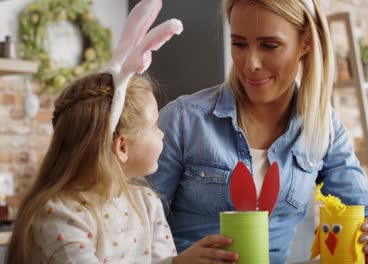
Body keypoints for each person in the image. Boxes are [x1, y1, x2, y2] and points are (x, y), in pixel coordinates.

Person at [148, 0, 368, 263]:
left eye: (269, 45)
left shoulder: (322, 127)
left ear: (305, 42)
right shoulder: (183, 120)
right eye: (239, 44)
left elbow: (367, 210)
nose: (250, 63)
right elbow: (124, 229)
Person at [6, 0, 238, 263]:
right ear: (122, 146)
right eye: (154, 127)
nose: (162, 134)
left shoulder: (147, 203)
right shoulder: (59, 215)